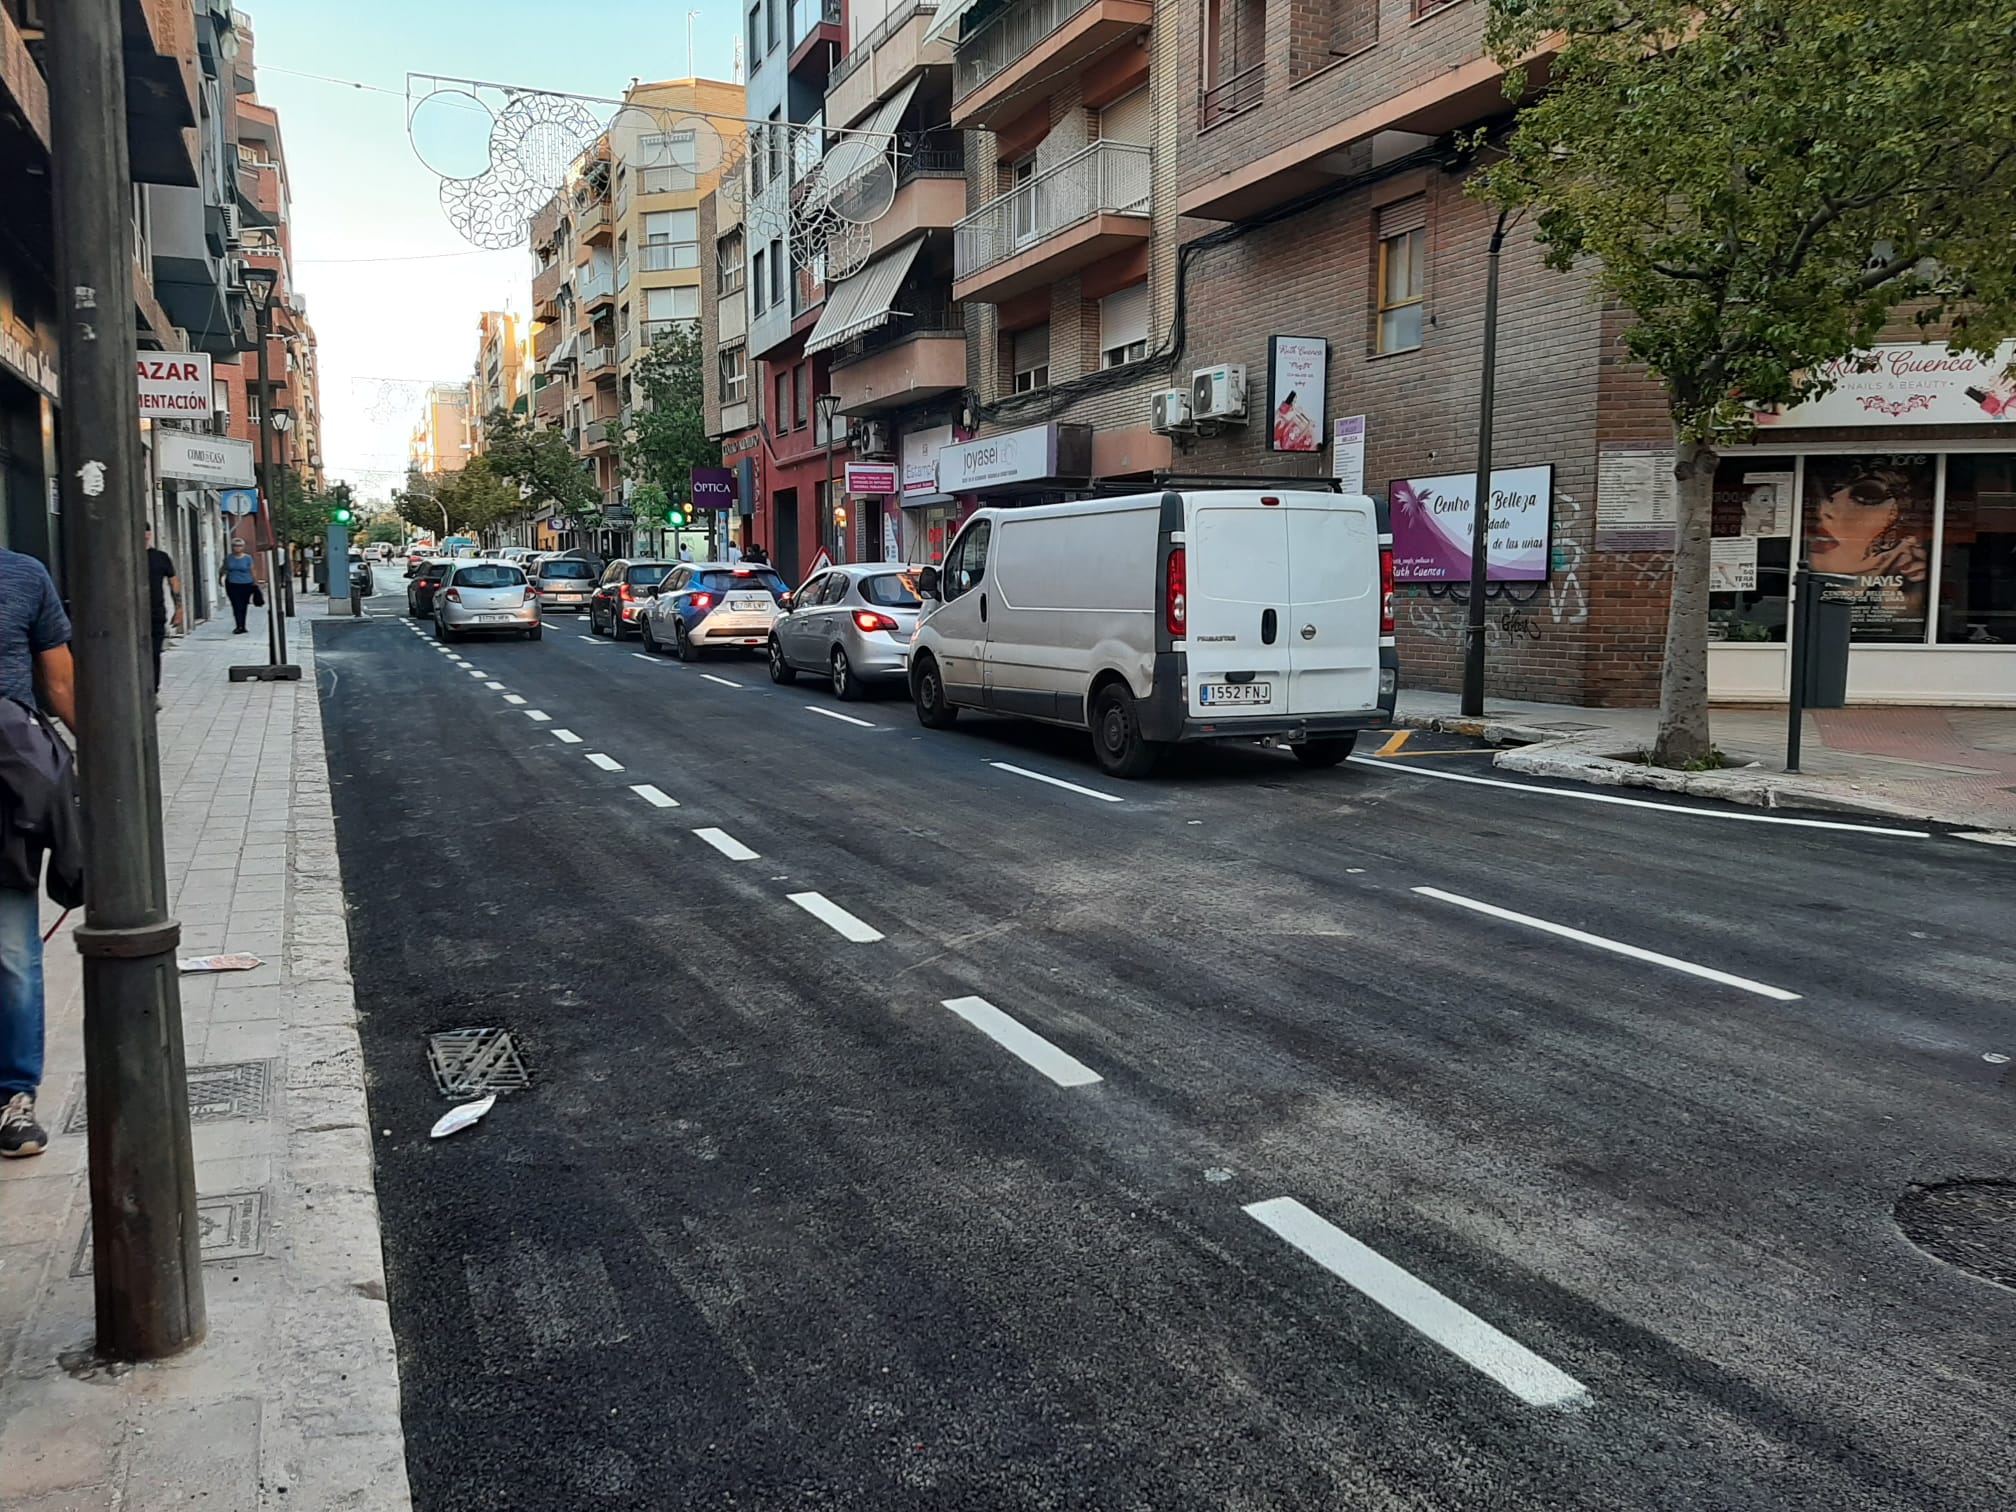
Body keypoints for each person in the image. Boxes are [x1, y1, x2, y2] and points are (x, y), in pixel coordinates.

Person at [0, 546, 76, 1158]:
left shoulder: (22, 574)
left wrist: (109, 762)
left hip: (6, 790)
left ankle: (14, 1096)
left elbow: (60, 681)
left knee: (12, 952)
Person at [145, 527, 184, 699]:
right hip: (128, 617)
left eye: (145, 532)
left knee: (153, 654)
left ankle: (152, 692)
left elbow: (173, 582)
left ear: (149, 534)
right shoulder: (124, 556)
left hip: (155, 614)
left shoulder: (160, 558)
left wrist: (179, 609)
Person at [222, 538, 258, 633]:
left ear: (243, 547)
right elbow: (223, 568)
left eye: (240, 546)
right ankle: (238, 625)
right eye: (235, 546)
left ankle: (243, 625)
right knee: (236, 605)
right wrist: (220, 577)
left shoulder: (248, 558)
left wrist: (255, 582)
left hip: (246, 584)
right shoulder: (228, 558)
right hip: (232, 584)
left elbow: (252, 570)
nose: (237, 548)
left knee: (243, 605)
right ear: (232, 547)